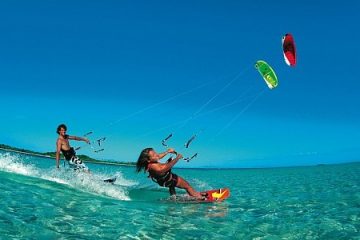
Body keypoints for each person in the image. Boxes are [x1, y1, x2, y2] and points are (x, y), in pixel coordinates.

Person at [136, 148, 203, 199]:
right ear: (148, 160)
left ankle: (173, 197)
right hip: (170, 179)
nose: (157, 155)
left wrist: (167, 152)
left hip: (164, 181)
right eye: (153, 155)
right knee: (188, 186)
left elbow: (159, 156)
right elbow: (165, 168)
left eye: (155, 153)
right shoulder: (153, 166)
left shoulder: (150, 162)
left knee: (171, 186)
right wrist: (177, 158)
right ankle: (199, 197)